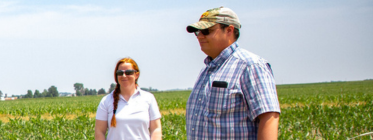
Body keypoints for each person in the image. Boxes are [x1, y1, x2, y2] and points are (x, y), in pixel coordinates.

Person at [184, 6, 280, 139]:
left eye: (206, 30)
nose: (200, 36)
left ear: (229, 30)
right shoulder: (206, 70)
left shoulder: (251, 66)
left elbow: (269, 117)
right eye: (197, 32)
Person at [94, 57, 162, 140]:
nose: (124, 75)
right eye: (120, 73)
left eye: (128, 72)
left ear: (136, 75)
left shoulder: (148, 98)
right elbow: (99, 132)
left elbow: (156, 129)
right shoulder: (106, 101)